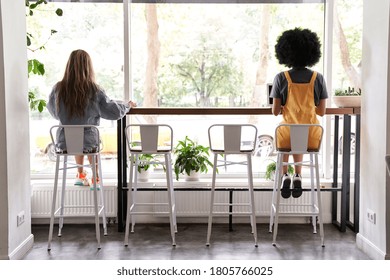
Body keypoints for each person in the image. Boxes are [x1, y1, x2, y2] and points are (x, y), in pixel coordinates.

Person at [47, 49, 136, 188]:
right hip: (88, 143)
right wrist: (127, 105)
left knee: (75, 131)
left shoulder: (58, 88)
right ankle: (96, 178)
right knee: (87, 137)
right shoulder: (94, 90)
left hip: (64, 143)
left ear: (68, 66)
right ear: (88, 67)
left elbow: (54, 112)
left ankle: (80, 174)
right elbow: (113, 111)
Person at [270, 28, 328, 199]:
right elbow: (322, 112)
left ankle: (285, 174)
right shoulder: (318, 78)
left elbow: (275, 111)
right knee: (301, 131)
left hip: (287, 134)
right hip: (311, 135)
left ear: (285, 53)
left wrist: (285, 107)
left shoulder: (281, 77)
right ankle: (298, 175)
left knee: (288, 132)